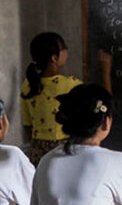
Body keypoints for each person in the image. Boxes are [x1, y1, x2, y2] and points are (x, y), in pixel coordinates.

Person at [21, 32, 82, 166]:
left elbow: (27, 125)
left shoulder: (27, 85)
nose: (66, 51)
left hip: (37, 146)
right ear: (54, 58)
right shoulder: (69, 84)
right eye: (63, 48)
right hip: (62, 146)